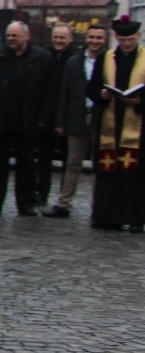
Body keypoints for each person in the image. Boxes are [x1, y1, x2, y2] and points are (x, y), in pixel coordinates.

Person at [0, 20, 55, 216]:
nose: (11, 39)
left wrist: (42, 118)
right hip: (1, 121)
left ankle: (26, 203)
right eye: (9, 36)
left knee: (27, 166)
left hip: (28, 121)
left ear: (26, 36)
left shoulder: (42, 58)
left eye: (15, 36)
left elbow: (49, 92)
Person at [87, 14, 145, 231]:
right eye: (122, 40)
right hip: (109, 122)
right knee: (108, 170)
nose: (127, 43)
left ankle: (135, 218)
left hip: (137, 123)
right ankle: (107, 216)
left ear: (138, 36)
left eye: (131, 39)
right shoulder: (106, 58)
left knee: (135, 172)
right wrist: (102, 94)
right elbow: (91, 87)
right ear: (116, 37)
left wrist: (140, 100)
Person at [44, 24, 108, 218]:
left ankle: (100, 204)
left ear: (104, 40)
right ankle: (64, 203)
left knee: (100, 164)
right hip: (77, 116)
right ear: (85, 39)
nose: (95, 41)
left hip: (101, 117)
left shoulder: (110, 61)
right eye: (92, 37)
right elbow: (65, 92)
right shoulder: (74, 62)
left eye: (99, 38)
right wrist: (60, 121)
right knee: (72, 163)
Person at [35, 22, 77, 205]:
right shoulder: (43, 57)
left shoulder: (76, 59)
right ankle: (41, 193)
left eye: (62, 37)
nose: (58, 41)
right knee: (43, 158)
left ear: (70, 39)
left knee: (68, 160)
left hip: (68, 117)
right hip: (47, 115)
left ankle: (64, 197)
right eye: (56, 37)